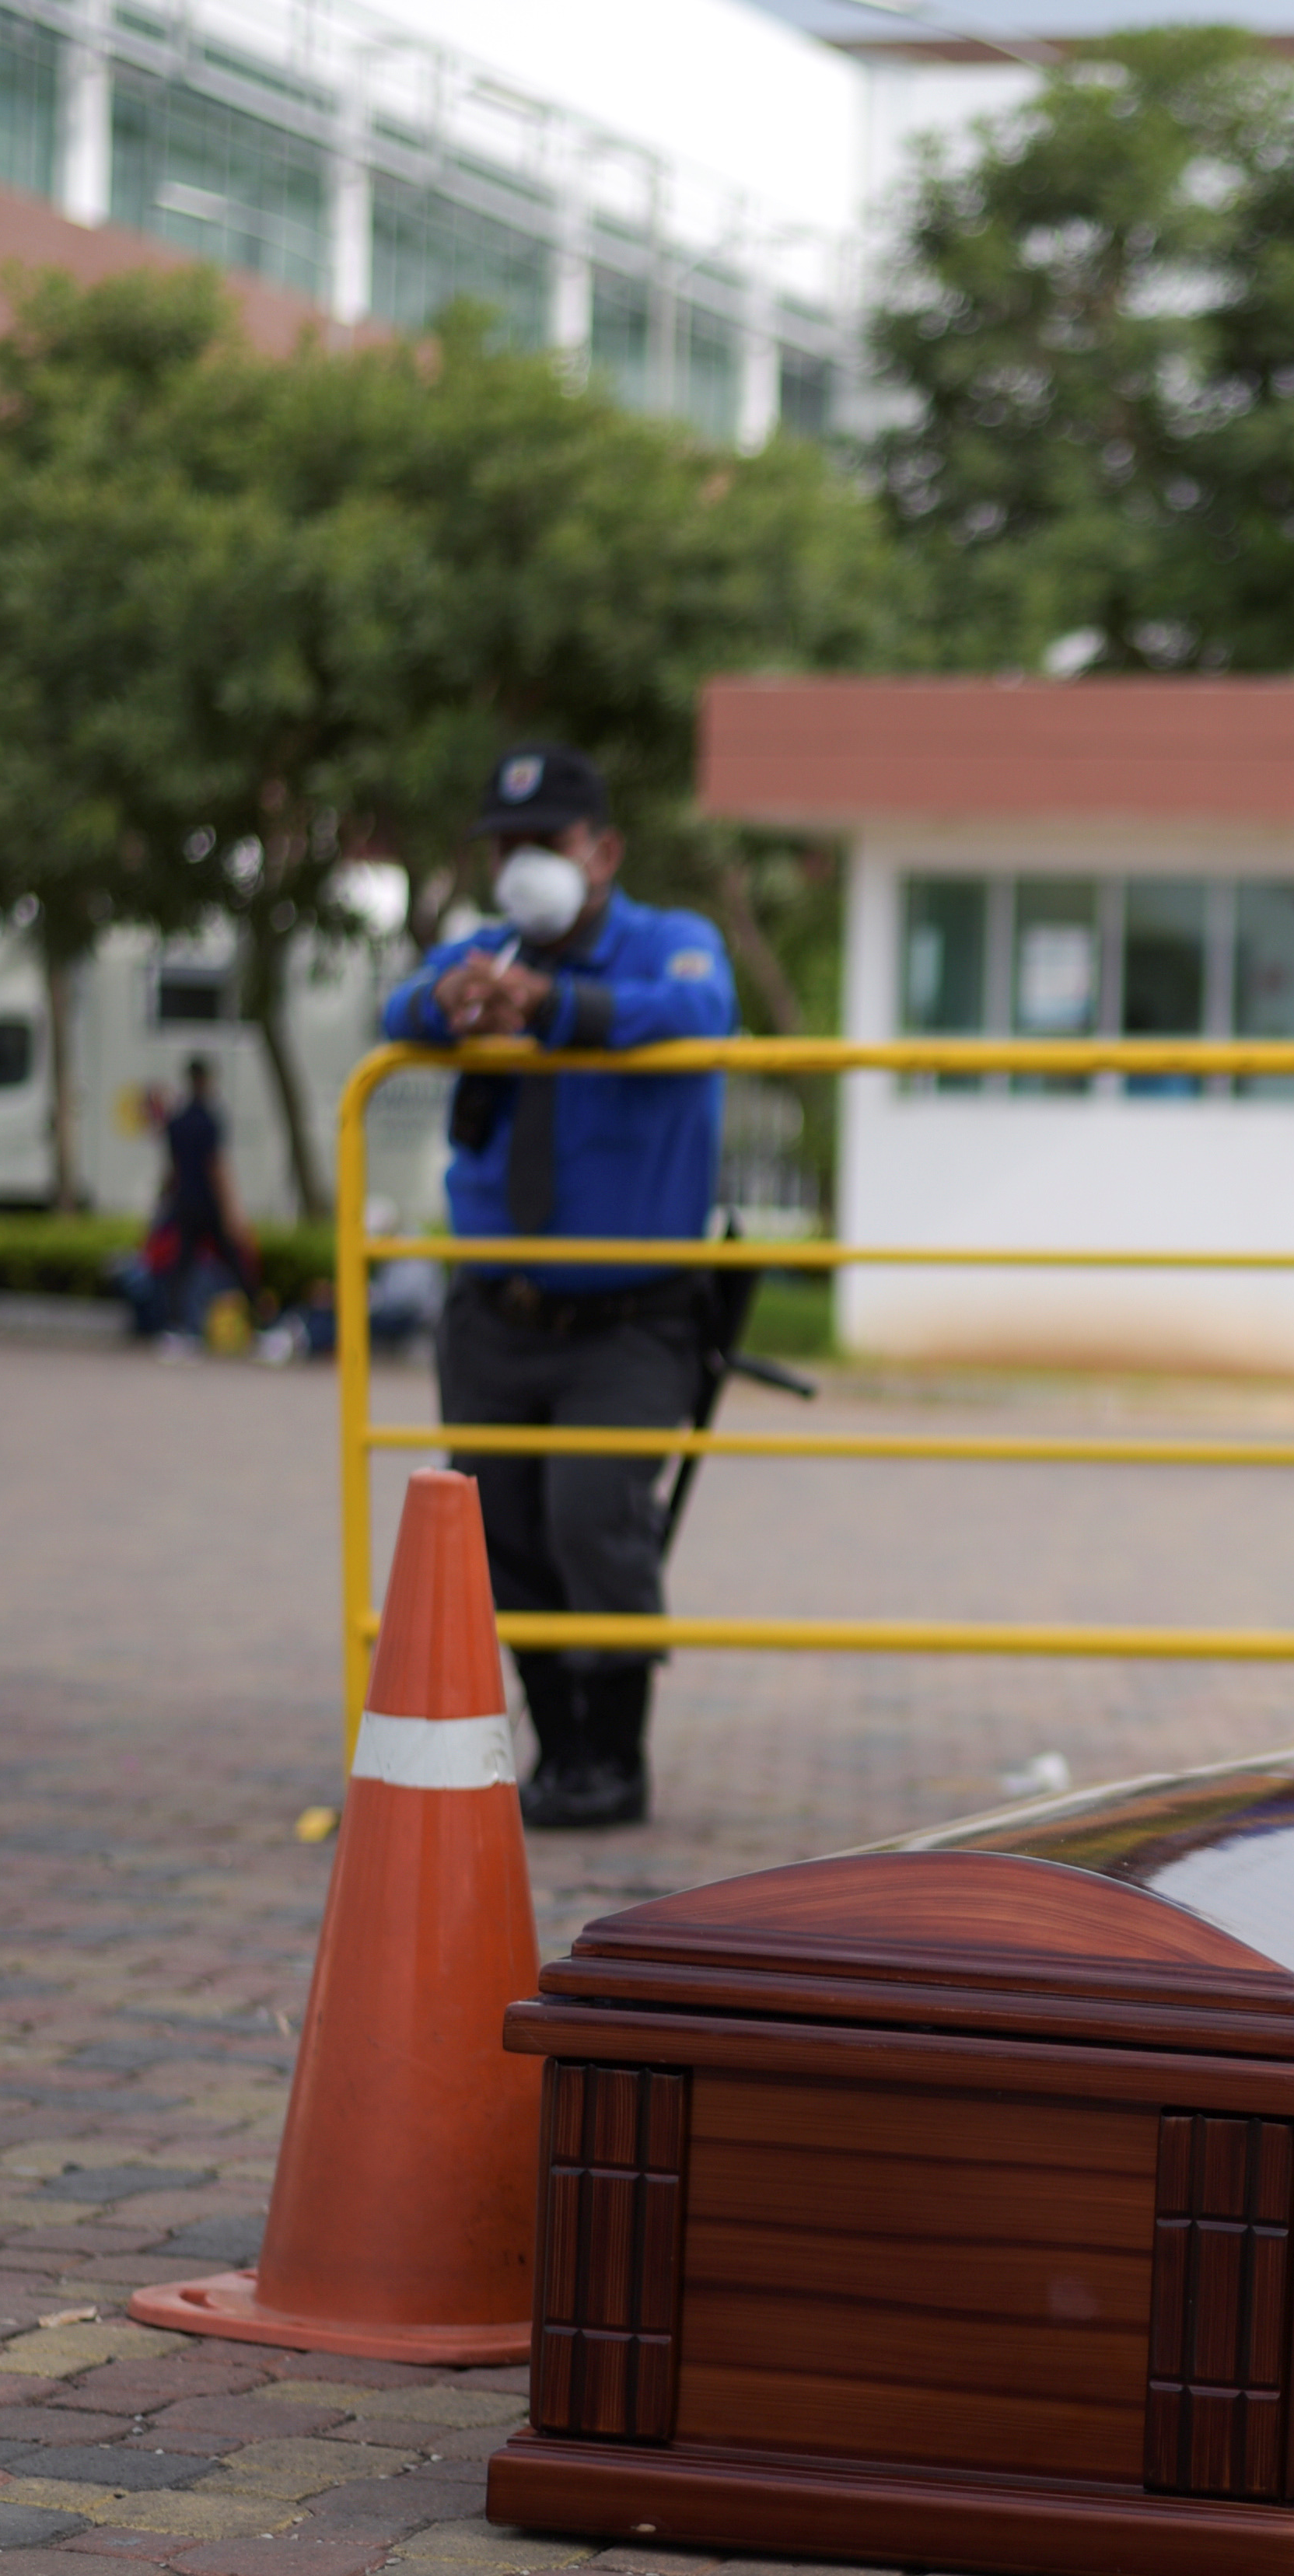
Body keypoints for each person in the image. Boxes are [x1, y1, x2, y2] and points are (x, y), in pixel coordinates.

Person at [380, 745, 735, 1833]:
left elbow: (699, 1011)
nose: (522, 864)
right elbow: (398, 1011)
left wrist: (560, 1007)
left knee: (594, 1517)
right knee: (502, 1533)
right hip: (497, 1311)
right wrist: (452, 1003)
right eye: (506, 846)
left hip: (631, 1316)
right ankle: (560, 1748)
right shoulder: (483, 951)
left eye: (545, 843)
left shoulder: (670, 944)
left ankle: (613, 1756)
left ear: (602, 851)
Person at [132, 1057, 256, 1350]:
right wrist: (232, 1210)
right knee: (236, 1261)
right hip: (208, 1203)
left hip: (184, 1202)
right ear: (206, 1081)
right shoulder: (210, 1118)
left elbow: (172, 1168)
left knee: (182, 1265)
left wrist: (162, 1202)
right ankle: (257, 1322)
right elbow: (216, 1166)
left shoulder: (178, 1120)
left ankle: (176, 1328)